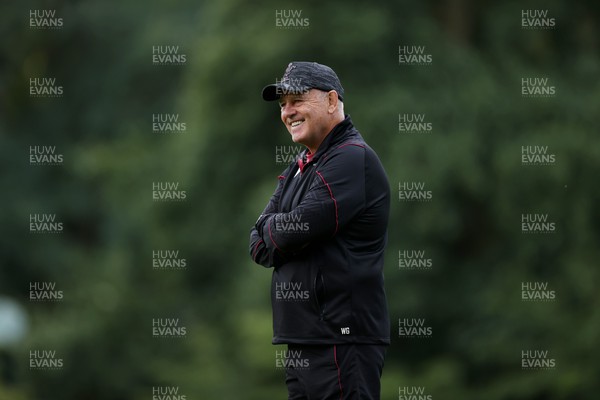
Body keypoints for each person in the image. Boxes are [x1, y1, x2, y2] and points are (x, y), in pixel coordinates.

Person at [249, 61, 390, 400]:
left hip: (341, 341)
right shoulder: (300, 167)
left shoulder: (351, 158)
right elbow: (258, 244)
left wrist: (275, 228)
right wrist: (275, 229)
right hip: (303, 342)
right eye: (283, 105)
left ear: (331, 101)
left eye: (297, 100)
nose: (288, 112)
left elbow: (294, 230)